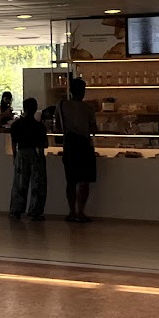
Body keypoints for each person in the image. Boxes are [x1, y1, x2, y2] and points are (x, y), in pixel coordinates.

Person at [59, 77, 98, 223]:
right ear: (83, 91)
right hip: (84, 145)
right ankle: (81, 212)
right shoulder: (88, 108)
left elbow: (58, 126)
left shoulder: (62, 105)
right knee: (84, 180)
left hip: (69, 145)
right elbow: (94, 129)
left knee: (71, 180)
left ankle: (71, 211)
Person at [8, 97, 48, 221]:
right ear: (35, 109)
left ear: (24, 109)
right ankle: (35, 211)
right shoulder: (40, 126)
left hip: (21, 153)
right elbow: (43, 145)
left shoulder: (16, 125)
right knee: (37, 184)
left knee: (19, 184)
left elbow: (14, 143)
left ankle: (16, 210)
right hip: (35, 153)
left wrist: (15, 156)